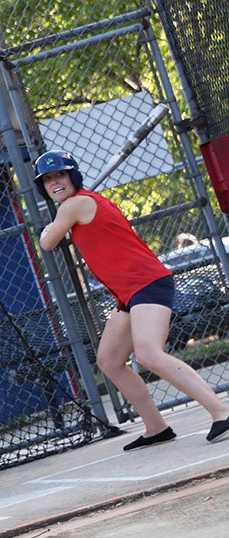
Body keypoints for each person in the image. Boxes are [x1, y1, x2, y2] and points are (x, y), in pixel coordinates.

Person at [35, 150, 229, 449]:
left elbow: (47, 242)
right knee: (110, 361)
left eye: (60, 175)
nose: (54, 182)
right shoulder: (78, 204)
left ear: (72, 176)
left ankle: (221, 411)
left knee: (149, 354)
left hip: (148, 283)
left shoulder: (76, 204)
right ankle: (156, 427)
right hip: (129, 292)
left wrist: (49, 226)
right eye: (47, 180)